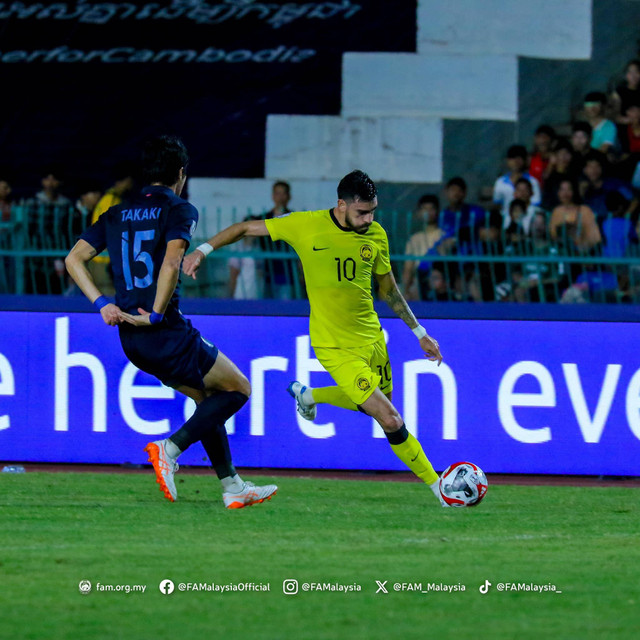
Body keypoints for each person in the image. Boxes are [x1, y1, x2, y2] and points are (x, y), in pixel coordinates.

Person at [183, 170, 447, 507]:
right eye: (362, 212)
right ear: (341, 205)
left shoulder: (376, 234)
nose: (369, 219)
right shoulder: (305, 224)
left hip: (372, 339)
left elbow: (389, 289)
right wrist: (202, 251)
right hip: (335, 346)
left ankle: (310, 396)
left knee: (379, 407)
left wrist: (419, 333)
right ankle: (440, 488)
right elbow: (244, 228)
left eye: (373, 211)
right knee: (391, 418)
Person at [65, 135, 277, 509]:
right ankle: (170, 447)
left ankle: (232, 486)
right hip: (163, 330)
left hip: (131, 339)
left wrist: (101, 303)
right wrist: (159, 313)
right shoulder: (180, 209)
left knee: (208, 400)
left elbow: (73, 259)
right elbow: (171, 261)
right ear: (181, 173)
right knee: (238, 389)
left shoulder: (116, 212)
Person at [88, 163, 136, 297]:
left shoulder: (109, 199)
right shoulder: (111, 201)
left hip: (106, 259)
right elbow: (110, 231)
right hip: (104, 261)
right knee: (110, 302)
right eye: (129, 181)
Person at [402, 194, 447, 300]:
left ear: (437, 212)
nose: (428, 212)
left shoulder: (444, 236)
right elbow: (408, 269)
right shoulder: (414, 239)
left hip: (439, 283)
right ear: (419, 213)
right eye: (425, 209)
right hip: (419, 284)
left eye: (432, 209)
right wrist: (405, 290)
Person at [493, 144, 542, 225]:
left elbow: (535, 205)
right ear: (507, 161)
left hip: (528, 221)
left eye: (519, 157)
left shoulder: (533, 182)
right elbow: (497, 206)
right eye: (512, 158)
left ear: (525, 160)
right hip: (506, 222)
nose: (516, 161)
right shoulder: (500, 182)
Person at [549, 179, 601, 252]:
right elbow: (552, 235)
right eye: (562, 189)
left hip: (581, 254)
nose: (565, 193)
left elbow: (595, 237)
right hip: (561, 253)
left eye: (569, 189)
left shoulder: (584, 210)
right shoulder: (556, 211)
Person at [611, 59, 640, 125]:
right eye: (630, 72)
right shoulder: (618, 92)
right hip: (624, 127)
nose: (634, 76)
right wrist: (627, 120)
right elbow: (614, 114)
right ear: (626, 75)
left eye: (637, 72)